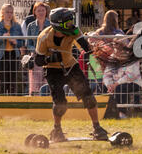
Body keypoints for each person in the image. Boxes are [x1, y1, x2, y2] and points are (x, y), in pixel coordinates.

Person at [34, 7, 109, 141]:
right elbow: (38, 61)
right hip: (52, 70)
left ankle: (97, 127)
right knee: (60, 103)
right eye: (67, 22)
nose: (71, 24)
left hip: (70, 66)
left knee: (88, 96)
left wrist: (94, 51)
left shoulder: (74, 30)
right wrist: (50, 58)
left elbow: (85, 46)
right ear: (58, 25)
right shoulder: (44, 37)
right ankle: (57, 130)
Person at [91, 10, 142, 119]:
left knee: (119, 88)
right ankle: (106, 112)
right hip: (114, 79)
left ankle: (121, 112)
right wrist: (109, 84)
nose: (116, 47)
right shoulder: (113, 56)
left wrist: (115, 84)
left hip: (130, 81)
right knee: (103, 86)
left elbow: (130, 76)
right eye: (115, 45)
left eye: (118, 45)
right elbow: (107, 74)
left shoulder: (129, 57)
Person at [0, 4, 26, 95]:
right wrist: (2, 38)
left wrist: (16, 42)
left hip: (14, 55)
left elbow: (22, 42)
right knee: (3, 81)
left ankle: (12, 103)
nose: (9, 14)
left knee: (13, 82)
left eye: (11, 12)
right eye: (7, 12)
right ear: (2, 13)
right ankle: (2, 103)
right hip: (1, 56)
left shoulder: (17, 26)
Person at [26, 2, 51, 96]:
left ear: (46, 12)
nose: (41, 12)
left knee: (47, 79)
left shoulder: (51, 25)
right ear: (35, 12)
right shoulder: (30, 26)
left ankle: (47, 99)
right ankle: (35, 99)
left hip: (48, 56)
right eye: (38, 10)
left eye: (43, 10)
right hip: (35, 57)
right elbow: (28, 44)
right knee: (35, 82)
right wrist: (36, 50)